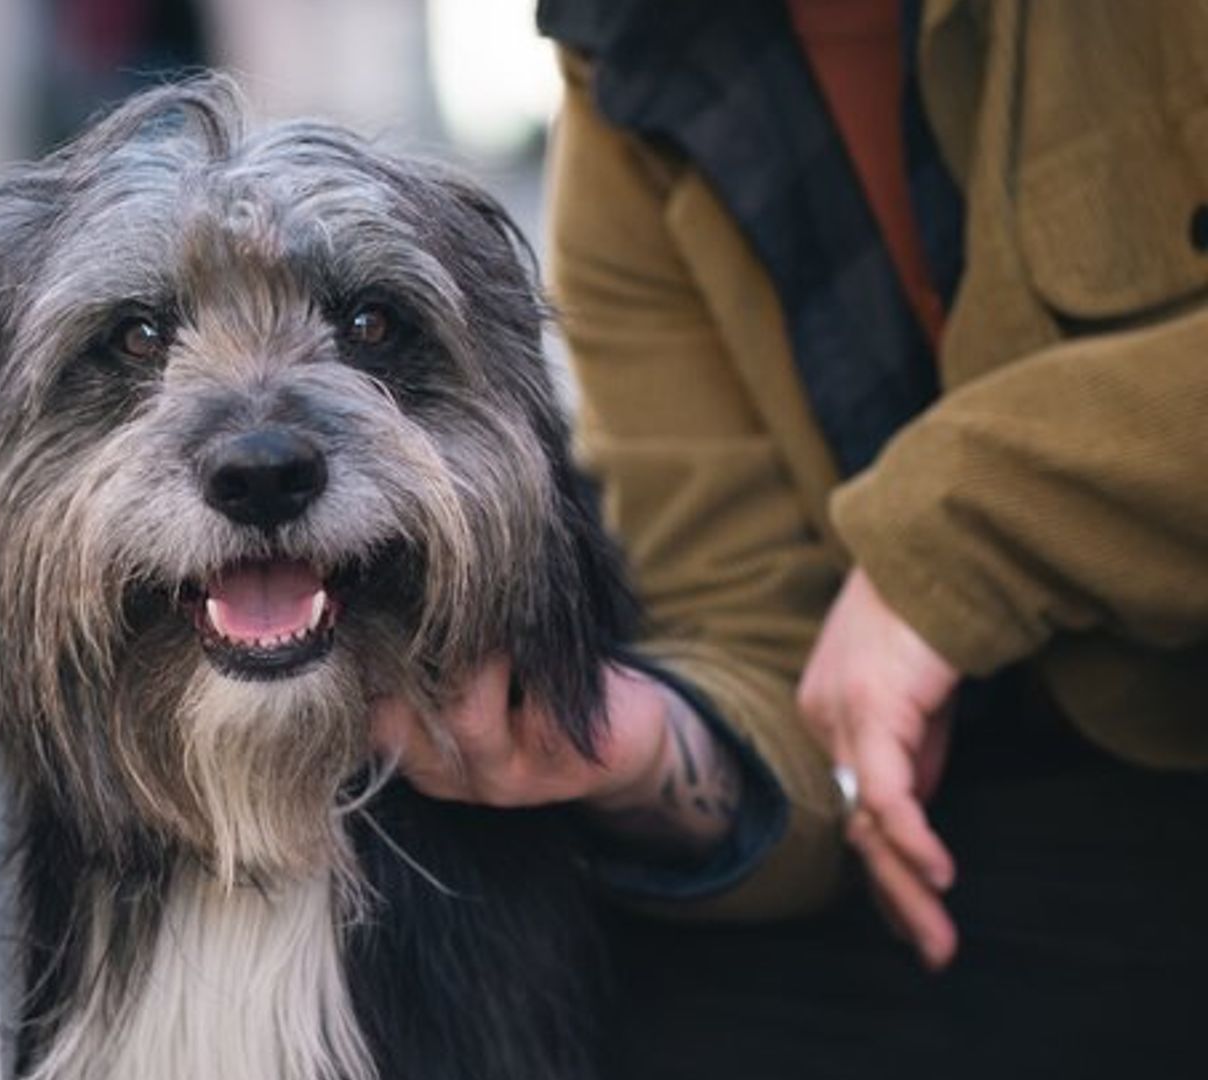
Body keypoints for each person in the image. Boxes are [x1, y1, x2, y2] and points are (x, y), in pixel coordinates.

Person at [376, 0, 1208, 1074]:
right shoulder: (630, 71)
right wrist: (634, 743)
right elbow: (766, 646)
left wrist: (959, 534)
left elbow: (928, 566)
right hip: (1011, 830)